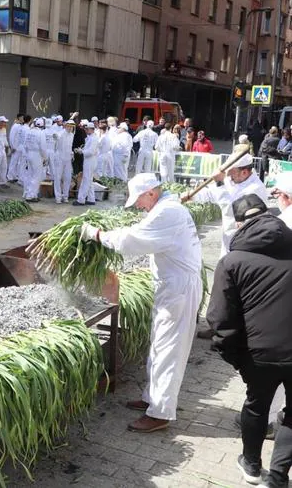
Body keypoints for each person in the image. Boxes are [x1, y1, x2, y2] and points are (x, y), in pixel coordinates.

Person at [81, 173, 202, 432]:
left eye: (139, 200)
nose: (138, 206)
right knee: (159, 345)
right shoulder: (168, 207)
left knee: (169, 349)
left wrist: (98, 235)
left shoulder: (168, 212)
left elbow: (132, 239)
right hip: (173, 286)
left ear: (151, 193)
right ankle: (152, 398)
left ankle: (160, 413)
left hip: (179, 290)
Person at [206, 195, 292, 488]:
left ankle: (252, 465)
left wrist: (236, 358)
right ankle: (279, 477)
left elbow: (219, 318)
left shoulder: (232, 261)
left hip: (259, 354)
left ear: (240, 224)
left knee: (257, 405)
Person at [186, 152, 269, 258]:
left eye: (232, 172)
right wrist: (192, 196)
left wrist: (220, 183)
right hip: (228, 238)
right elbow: (212, 194)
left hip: (246, 243)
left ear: (244, 172)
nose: (228, 176)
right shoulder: (234, 180)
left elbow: (232, 209)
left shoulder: (256, 189)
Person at [73, 121, 100, 206]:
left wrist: (81, 151)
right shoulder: (90, 138)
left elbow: (91, 152)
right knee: (89, 180)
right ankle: (91, 199)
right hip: (89, 160)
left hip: (90, 160)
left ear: (91, 129)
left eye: (87, 129)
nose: (85, 130)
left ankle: (81, 199)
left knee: (86, 180)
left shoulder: (94, 138)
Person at [22, 118, 47, 202]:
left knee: (30, 174)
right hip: (37, 155)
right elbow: (43, 148)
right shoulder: (41, 133)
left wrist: (26, 154)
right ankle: (31, 195)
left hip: (29, 154)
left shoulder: (29, 131)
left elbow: (24, 145)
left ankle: (28, 193)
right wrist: (45, 157)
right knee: (36, 176)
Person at [54, 119, 75, 204]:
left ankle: (65, 196)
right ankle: (58, 197)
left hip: (68, 159)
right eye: (69, 126)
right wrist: (55, 135)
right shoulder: (61, 133)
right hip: (59, 158)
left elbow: (70, 147)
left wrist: (72, 153)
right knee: (57, 178)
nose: (70, 128)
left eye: (72, 126)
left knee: (68, 178)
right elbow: (56, 136)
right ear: (66, 126)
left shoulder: (72, 135)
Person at [7, 115, 25, 182]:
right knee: (13, 162)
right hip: (15, 147)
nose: (23, 119)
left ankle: (14, 176)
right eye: (22, 118)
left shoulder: (20, 126)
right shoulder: (15, 126)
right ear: (19, 118)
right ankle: (10, 176)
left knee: (17, 162)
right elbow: (11, 136)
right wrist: (13, 146)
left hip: (19, 147)